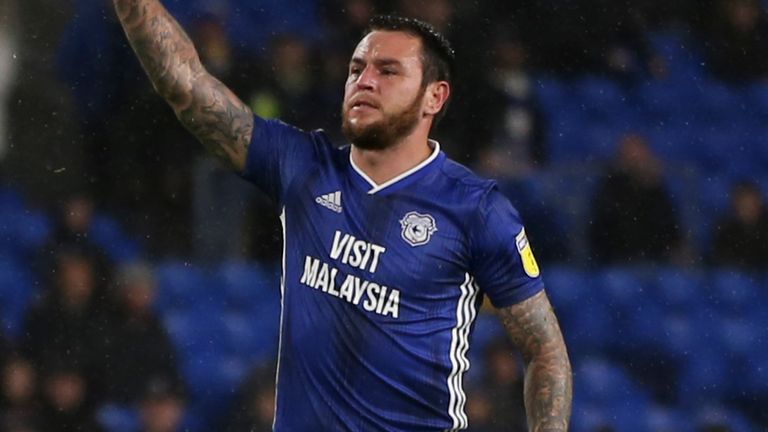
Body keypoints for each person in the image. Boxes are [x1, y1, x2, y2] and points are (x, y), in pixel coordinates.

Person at [113, 1, 572, 430]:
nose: (364, 81)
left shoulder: (476, 208)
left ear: (435, 97)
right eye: (357, 69)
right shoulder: (303, 167)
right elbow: (186, 86)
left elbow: (544, 349)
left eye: (387, 70)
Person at [589, 133, 683, 265]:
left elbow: (669, 226)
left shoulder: (656, 189)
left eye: (639, 154)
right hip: (616, 259)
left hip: (655, 259)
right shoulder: (609, 186)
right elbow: (608, 225)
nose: (636, 160)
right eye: (631, 154)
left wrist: (651, 187)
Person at [711, 181, 768, 269]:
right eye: (743, 204)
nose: (747, 208)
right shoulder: (726, 229)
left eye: (750, 202)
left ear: (759, 202)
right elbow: (722, 259)